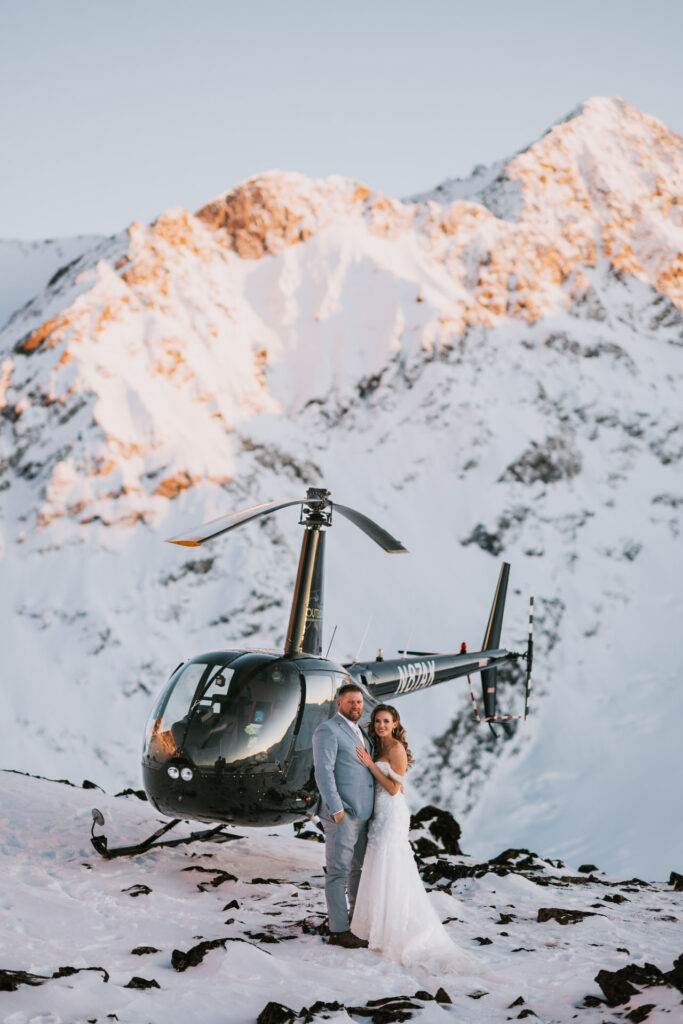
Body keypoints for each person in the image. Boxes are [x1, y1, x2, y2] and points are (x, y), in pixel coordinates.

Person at [351, 704, 479, 975]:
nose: (381, 725)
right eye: (377, 721)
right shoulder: (378, 744)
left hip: (392, 812)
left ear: (395, 723)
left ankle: (393, 929)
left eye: (386, 721)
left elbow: (394, 788)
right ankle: (378, 926)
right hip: (379, 813)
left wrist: (371, 765)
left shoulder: (395, 748)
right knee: (379, 864)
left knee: (391, 865)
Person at [312, 683, 374, 948]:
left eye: (359, 702)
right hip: (343, 814)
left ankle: (355, 921)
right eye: (350, 702)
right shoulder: (328, 730)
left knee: (358, 870)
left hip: (363, 814)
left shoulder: (360, 731)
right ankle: (338, 931)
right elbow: (323, 771)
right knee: (338, 872)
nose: (356, 706)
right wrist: (336, 810)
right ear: (339, 704)